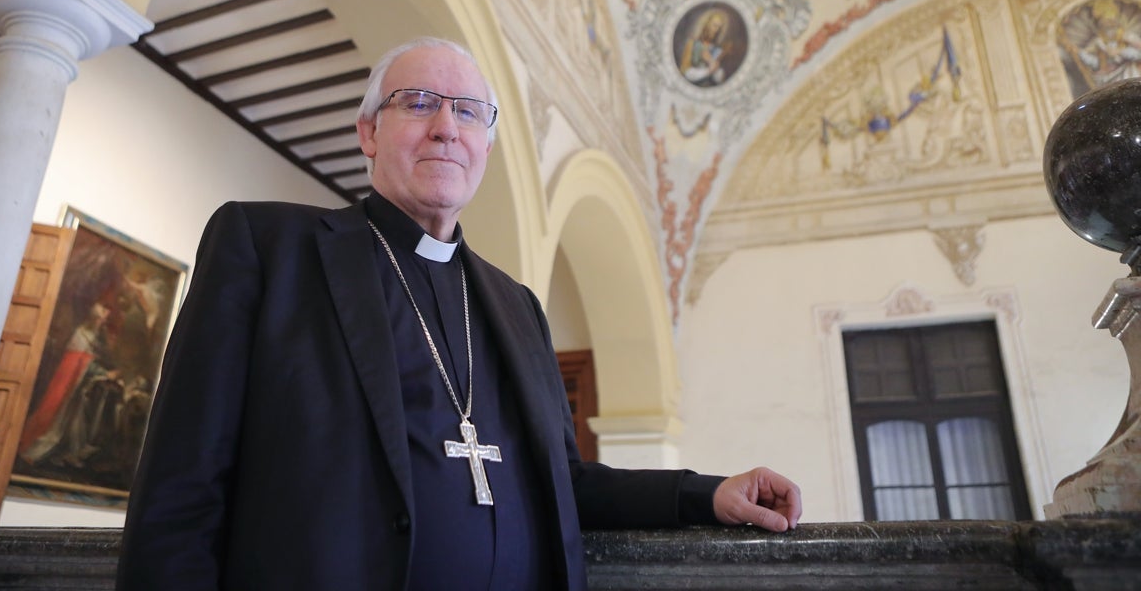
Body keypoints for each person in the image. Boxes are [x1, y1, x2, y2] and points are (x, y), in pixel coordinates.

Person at [116, 37, 802, 590]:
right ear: (368, 131)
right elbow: (180, 487)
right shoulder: (268, 249)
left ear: (487, 144)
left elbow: (568, 484)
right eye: (418, 103)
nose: (446, 127)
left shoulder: (516, 306)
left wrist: (707, 495)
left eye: (469, 112)